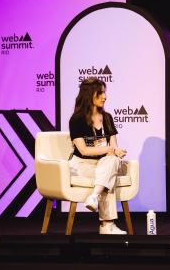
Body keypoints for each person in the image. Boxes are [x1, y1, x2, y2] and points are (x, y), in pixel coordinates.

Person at [69, 77, 129, 235]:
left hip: (103, 164)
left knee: (111, 164)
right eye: (100, 93)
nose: (105, 96)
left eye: (104, 92)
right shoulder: (77, 119)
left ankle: (94, 196)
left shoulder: (107, 118)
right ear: (90, 95)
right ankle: (106, 225)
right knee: (109, 175)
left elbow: (113, 147)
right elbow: (84, 150)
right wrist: (109, 149)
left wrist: (117, 151)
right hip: (82, 164)